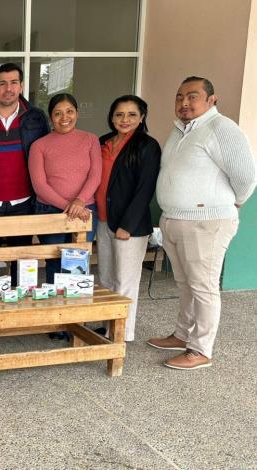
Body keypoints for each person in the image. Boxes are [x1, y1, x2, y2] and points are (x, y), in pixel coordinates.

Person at [148, 76, 256, 370]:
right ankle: (183, 334)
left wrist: (234, 203)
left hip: (206, 223)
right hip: (175, 220)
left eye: (192, 96)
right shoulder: (180, 130)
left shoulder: (221, 128)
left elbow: (246, 176)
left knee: (203, 286)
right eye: (179, 96)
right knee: (185, 283)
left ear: (211, 100)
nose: (184, 103)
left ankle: (200, 349)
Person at [0, 63, 49, 284]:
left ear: (21, 86)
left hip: (24, 202)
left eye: (14, 82)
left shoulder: (36, 118)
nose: (8, 88)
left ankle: (18, 311)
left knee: (22, 265)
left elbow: (47, 154)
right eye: (2, 83)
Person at [95, 95, 161, 342]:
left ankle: (122, 332)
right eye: (119, 114)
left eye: (132, 114)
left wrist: (127, 225)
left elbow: (145, 189)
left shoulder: (147, 146)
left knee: (125, 281)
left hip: (128, 227)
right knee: (106, 278)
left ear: (142, 117)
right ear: (111, 117)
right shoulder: (103, 142)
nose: (125, 119)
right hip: (103, 220)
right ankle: (108, 325)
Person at [29, 93, 101, 285]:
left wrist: (80, 201)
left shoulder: (91, 139)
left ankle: (76, 312)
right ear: (51, 116)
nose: (64, 117)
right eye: (58, 113)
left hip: (85, 209)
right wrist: (70, 206)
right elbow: (39, 185)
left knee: (78, 262)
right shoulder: (39, 145)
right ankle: (56, 311)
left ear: (77, 113)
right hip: (50, 210)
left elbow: (95, 175)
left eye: (69, 111)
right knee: (55, 262)